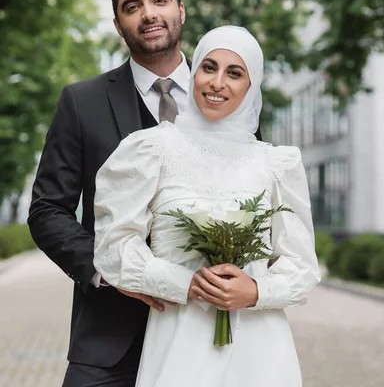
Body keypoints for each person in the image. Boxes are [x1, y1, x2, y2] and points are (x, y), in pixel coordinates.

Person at [94, 25, 321, 387]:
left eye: (235, 73)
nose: (218, 82)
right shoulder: (152, 150)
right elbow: (114, 248)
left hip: (261, 348)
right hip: (178, 340)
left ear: (251, 86)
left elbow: (303, 269)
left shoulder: (278, 165)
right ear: (194, 71)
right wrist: (185, 284)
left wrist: (257, 291)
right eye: (209, 67)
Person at [28, 0, 192, 386]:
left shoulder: (230, 97)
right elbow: (47, 211)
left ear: (180, 9)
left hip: (205, 332)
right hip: (107, 341)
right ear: (119, 25)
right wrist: (110, 272)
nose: (148, 13)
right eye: (131, 6)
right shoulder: (82, 102)